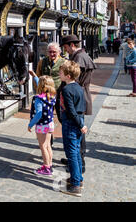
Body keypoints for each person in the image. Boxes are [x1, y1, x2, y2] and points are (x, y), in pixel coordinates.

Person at [61, 35, 96, 173]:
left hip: (77, 98)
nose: (66, 51)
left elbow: (75, 80)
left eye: (66, 48)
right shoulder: (80, 55)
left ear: (71, 45)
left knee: (77, 132)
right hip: (80, 96)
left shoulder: (79, 58)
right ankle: (75, 160)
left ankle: (79, 163)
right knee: (77, 131)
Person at [59, 61, 88, 197]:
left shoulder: (66, 89)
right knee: (76, 152)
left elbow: (70, 110)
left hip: (71, 123)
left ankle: (75, 185)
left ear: (68, 75)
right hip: (78, 120)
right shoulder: (79, 87)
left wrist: (80, 125)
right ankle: (78, 179)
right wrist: (81, 123)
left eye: (61, 72)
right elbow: (82, 106)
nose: (59, 74)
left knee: (71, 153)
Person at [28, 75, 57, 176]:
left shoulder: (38, 99)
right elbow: (42, 83)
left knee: (43, 147)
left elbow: (39, 114)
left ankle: (46, 168)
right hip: (50, 124)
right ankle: (50, 165)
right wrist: (34, 76)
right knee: (48, 146)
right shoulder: (52, 97)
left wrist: (30, 125)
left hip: (41, 126)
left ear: (40, 86)